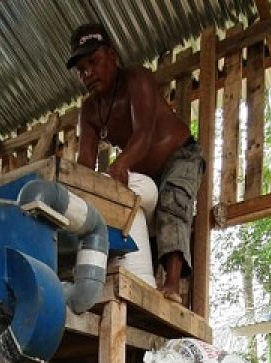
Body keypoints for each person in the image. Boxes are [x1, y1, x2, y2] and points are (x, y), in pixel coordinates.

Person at [66, 23, 204, 304]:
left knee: (172, 203)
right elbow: (84, 162)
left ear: (112, 56)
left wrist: (120, 165)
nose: (88, 73)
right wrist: (78, 191)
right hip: (145, 172)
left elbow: (145, 134)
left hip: (180, 155)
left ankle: (173, 284)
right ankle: (142, 284)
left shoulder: (136, 79)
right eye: (81, 70)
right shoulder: (90, 110)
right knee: (132, 223)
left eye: (93, 62)